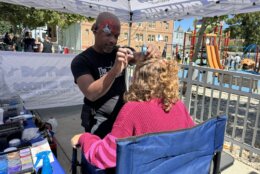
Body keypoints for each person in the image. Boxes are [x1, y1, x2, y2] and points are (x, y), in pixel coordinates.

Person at [71, 57, 195, 172]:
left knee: (90, 162)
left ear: (137, 80)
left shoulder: (132, 110)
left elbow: (106, 156)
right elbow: (194, 139)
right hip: (176, 169)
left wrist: (85, 138)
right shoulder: (178, 105)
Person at [70, 12, 160, 138]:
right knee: (99, 155)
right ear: (95, 30)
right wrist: (115, 70)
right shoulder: (81, 60)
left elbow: (135, 56)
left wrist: (147, 52)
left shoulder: (119, 51)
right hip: (98, 120)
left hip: (122, 116)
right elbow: (91, 93)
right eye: (108, 34)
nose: (113, 40)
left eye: (116, 36)